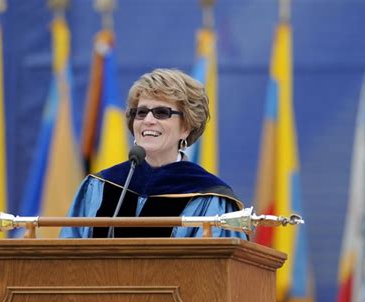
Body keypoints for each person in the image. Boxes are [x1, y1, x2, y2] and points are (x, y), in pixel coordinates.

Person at [61, 68, 246, 239]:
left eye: (161, 113)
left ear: (186, 127)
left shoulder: (211, 198)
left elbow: (216, 269)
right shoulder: (100, 185)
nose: (148, 120)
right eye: (141, 112)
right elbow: (68, 258)